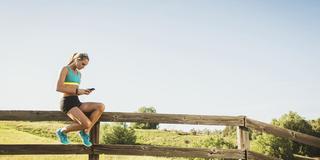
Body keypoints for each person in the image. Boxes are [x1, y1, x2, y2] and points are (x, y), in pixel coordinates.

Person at [55, 53, 105, 147]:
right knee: (86, 123)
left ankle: (85, 132)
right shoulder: (65, 69)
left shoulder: (79, 74)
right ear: (77, 59)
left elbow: (75, 91)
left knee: (101, 106)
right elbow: (59, 87)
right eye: (83, 64)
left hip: (76, 102)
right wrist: (78, 91)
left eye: (85, 65)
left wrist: (84, 91)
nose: (83, 67)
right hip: (67, 103)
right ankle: (62, 131)